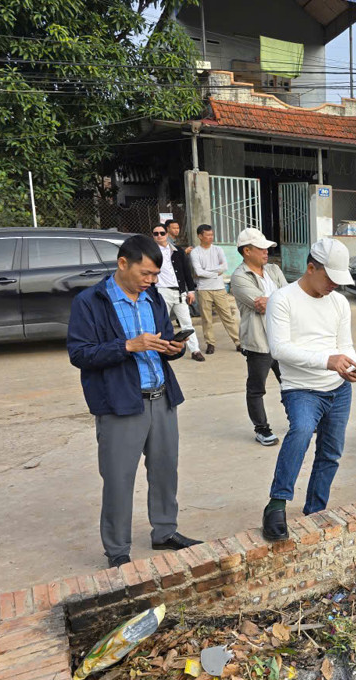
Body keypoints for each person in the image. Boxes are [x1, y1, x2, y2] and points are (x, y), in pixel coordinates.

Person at [66, 234, 201, 568]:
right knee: (119, 478)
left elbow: (163, 343)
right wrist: (127, 346)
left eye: (155, 274)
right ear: (123, 263)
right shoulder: (90, 302)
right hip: (120, 404)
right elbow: (80, 353)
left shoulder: (152, 298)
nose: (151, 281)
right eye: (146, 273)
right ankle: (117, 550)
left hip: (162, 397)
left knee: (165, 471)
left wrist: (174, 348)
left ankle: (165, 531)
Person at [261, 238, 356, 542]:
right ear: (311, 268)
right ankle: (276, 505)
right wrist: (327, 361)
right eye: (330, 278)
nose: (334, 285)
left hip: (338, 388)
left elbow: (344, 343)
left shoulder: (339, 302)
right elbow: (279, 349)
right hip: (301, 388)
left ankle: (315, 510)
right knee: (302, 432)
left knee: (331, 452)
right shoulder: (282, 299)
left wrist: (352, 365)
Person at [231, 228, 289, 446]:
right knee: (256, 389)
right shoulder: (240, 277)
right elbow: (261, 306)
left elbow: (289, 300)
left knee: (290, 384)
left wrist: (274, 301)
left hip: (282, 339)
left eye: (267, 248)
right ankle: (262, 429)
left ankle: (298, 420)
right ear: (247, 251)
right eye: (261, 248)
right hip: (258, 343)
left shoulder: (274, 269)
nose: (266, 252)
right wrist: (279, 301)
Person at [152, 223, 204, 361]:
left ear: (167, 234)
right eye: (156, 234)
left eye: (162, 233)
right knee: (161, 322)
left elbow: (186, 272)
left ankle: (195, 350)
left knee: (187, 322)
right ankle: (162, 350)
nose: (159, 236)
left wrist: (191, 291)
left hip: (179, 292)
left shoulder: (177, 251)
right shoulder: (151, 253)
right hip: (161, 291)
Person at [191, 224, 241, 354]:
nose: (210, 237)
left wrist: (206, 271)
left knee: (227, 316)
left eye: (211, 235)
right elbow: (198, 271)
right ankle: (210, 343)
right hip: (203, 289)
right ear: (200, 236)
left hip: (219, 288)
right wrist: (215, 272)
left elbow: (224, 267)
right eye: (207, 235)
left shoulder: (218, 249)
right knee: (206, 319)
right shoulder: (195, 252)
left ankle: (238, 342)